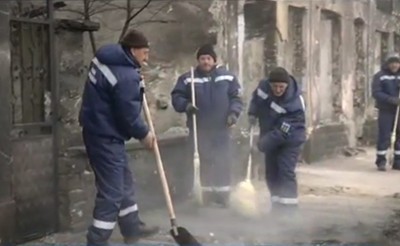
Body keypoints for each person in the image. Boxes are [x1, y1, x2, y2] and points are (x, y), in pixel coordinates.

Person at [79, 29, 159, 246]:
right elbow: (128, 115)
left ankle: (132, 229)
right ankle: (96, 241)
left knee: (124, 182)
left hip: (98, 129)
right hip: (105, 135)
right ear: (133, 51)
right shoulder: (126, 76)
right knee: (113, 191)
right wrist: (145, 135)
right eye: (144, 53)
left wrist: (135, 80)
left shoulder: (106, 57)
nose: (146, 58)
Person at [171, 44, 244, 207]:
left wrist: (233, 113)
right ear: (198, 61)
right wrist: (187, 105)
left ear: (214, 60)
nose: (205, 62)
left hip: (221, 127)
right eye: (202, 59)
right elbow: (176, 97)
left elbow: (236, 98)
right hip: (200, 128)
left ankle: (223, 196)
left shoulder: (227, 77)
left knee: (222, 161)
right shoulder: (187, 78)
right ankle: (206, 196)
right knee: (204, 161)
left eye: (208, 58)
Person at [248, 67, 306, 214]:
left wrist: (261, 145)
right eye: (275, 86)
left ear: (287, 85)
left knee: (285, 171)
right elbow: (256, 100)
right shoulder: (263, 88)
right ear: (269, 84)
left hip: (290, 140)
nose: (278, 89)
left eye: (281, 87)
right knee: (271, 173)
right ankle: (277, 208)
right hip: (270, 136)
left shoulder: (295, 102)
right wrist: (252, 113)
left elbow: (283, 132)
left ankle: (290, 211)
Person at [372, 53, 400, 171]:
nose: (395, 65)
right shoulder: (380, 76)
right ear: (388, 64)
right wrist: (391, 100)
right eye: (392, 63)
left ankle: (397, 161)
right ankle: (381, 160)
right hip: (386, 110)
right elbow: (376, 92)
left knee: (399, 136)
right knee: (384, 135)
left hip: (399, 111)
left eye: (397, 63)